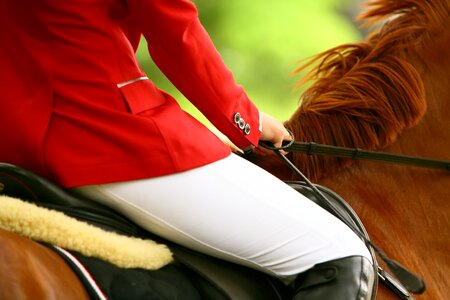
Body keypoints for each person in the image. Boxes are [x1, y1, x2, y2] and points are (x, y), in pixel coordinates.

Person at [0, 1, 375, 299]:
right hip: (102, 136)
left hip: (15, 141)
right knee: (342, 255)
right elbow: (175, 30)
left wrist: (202, 139)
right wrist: (245, 118)